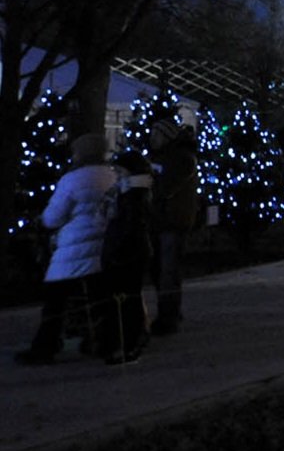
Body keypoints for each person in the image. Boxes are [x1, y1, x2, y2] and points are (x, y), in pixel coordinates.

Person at [16, 135, 121, 365]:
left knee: (55, 301)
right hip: (101, 246)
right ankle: (108, 343)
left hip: (74, 247)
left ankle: (45, 347)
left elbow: (53, 217)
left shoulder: (72, 179)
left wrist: (41, 221)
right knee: (101, 299)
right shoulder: (113, 176)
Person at [146, 113, 199, 334]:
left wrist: (149, 184)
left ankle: (168, 317)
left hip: (172, 221)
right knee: (160, 270)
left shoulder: (181, 158)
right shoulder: (159, 157)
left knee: (168, 271)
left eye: (156, 134)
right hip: (159, 221)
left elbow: (166, 187)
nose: (152, 138)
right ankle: (170, 311)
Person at [101, 152, 154, 363]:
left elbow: (129, 227)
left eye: (119, 171)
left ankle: (127, 344)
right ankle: (128, 341)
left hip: (126, 255)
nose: (115, 175)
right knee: (128, 299)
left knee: (126, 301)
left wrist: (116, 252)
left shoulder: (133, 195)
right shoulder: (129, 192)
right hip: (128, 253)